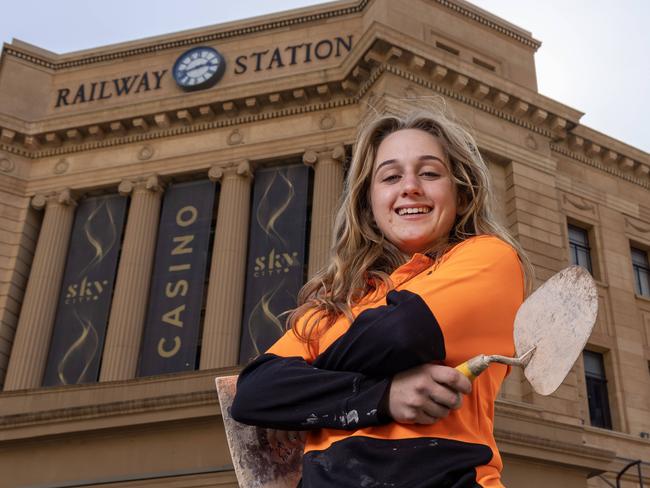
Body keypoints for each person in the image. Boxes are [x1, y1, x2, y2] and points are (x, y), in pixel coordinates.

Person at [231, 106, 532, 487]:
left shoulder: (489, 257)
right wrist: (384, 395)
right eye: (390, 176)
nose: (410, 186)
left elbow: (400, 334)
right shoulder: (333, 304)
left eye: (429, 173)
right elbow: (255, 392)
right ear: (369, 205)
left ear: (461, 192)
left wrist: (301, 394)